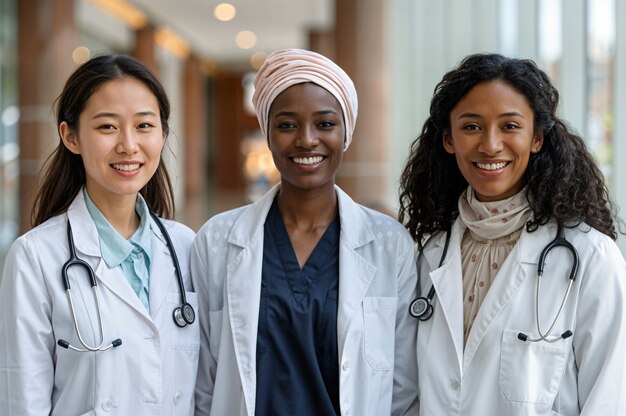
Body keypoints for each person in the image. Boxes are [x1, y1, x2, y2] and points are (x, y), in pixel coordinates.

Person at [191, 48, 419, 415]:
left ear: (346, 133)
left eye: (325, 124)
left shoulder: (391, 245)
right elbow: (204, 379)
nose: (307, 140)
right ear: (267, 134)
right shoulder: (217, 241)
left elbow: (403, 386)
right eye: (287, 125)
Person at [399, 52, 626, 415]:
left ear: (536, 138)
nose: (490, 145)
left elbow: (610, 400)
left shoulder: (590, 258)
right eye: (471, 126)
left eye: (509, 126)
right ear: (448, 139)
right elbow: (409, 393)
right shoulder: (430, 254)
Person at [0, 54, 199, 415]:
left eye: (144, 126)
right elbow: (22, 401)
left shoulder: (187, 246)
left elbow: (206, 390)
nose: (128, 145)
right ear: (70, 136)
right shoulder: (34, 257)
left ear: (163, 134)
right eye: (107, 127)